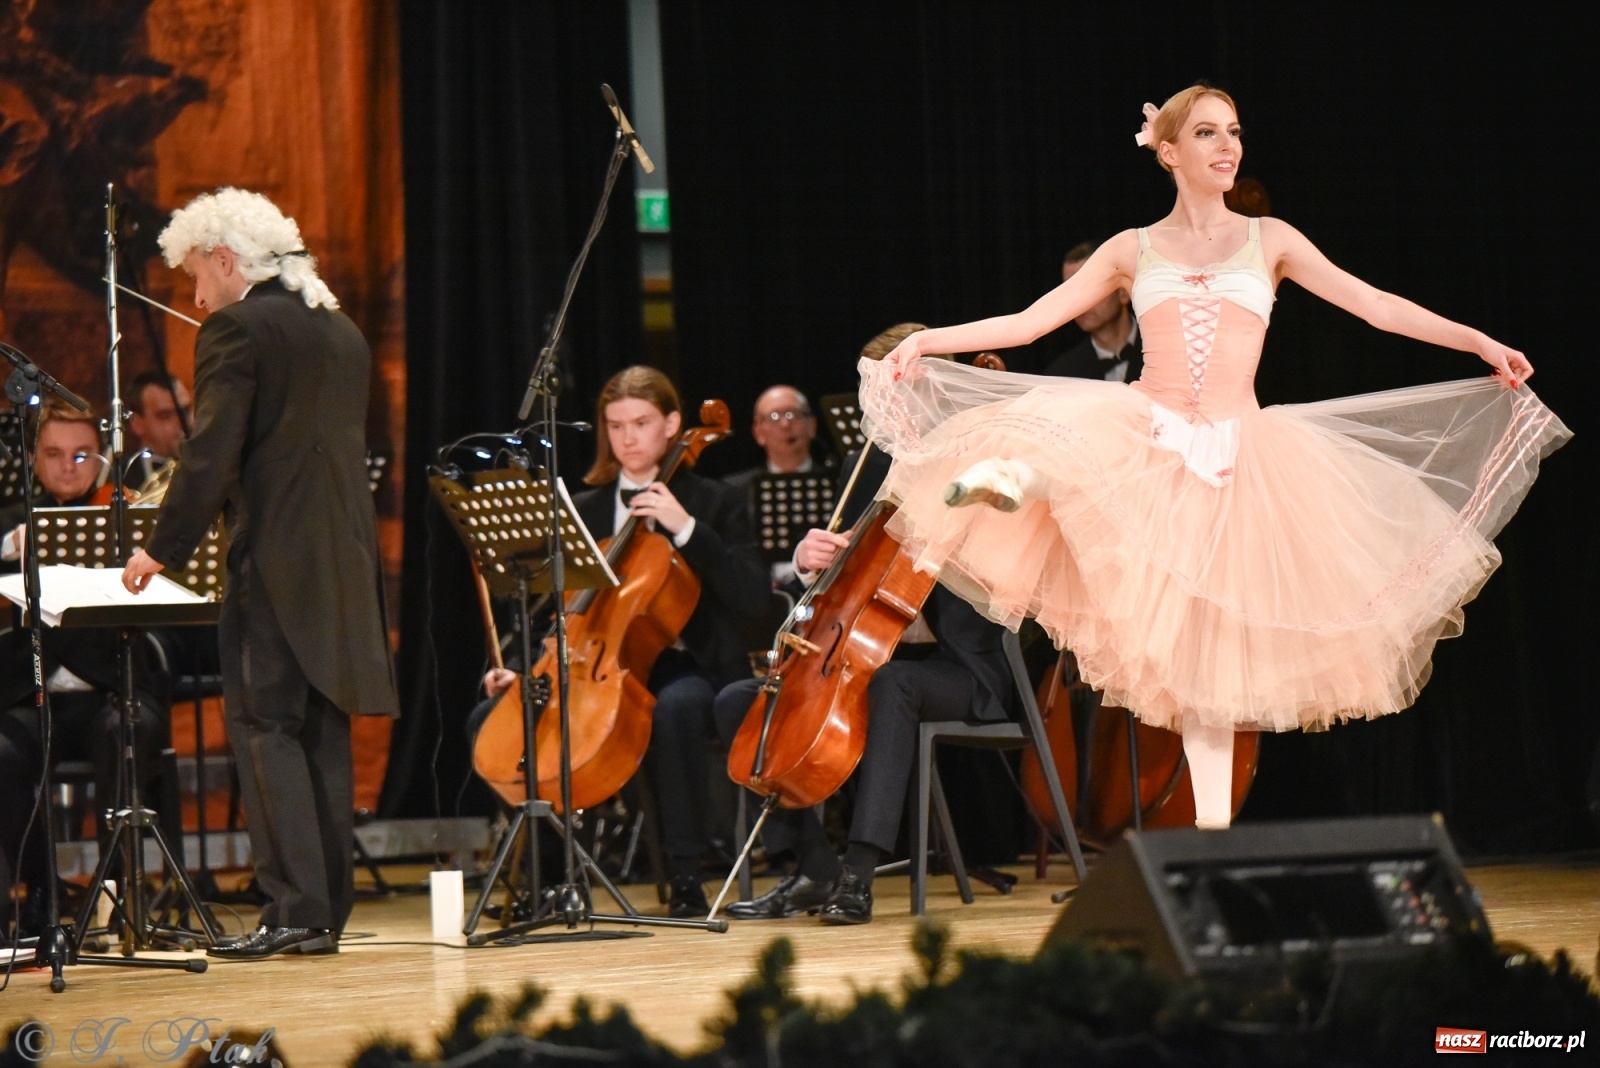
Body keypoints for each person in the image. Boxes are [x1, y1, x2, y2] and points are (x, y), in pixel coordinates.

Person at [864, 85, 1570, 831]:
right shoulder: (1131, 248)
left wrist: (1477, 341)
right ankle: (1018, 476)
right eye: (1207, 133)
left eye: (1233, 131)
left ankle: (1210, 835)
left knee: (1210, 664)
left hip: (1240, 454)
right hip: (1150, 429)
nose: (1228, 145)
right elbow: (1031, 322)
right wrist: (929, 340)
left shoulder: (1271, 240)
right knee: (1093, 449)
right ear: (1169, 152)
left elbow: (1376, 305)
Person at [120, 187, 398, 959]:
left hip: (274, 560)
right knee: (320, 731)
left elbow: (212, 450)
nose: (195, 297)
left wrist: (161, 547)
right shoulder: (339, 329)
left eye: (194, 277)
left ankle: (293, 911)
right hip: (343, 560)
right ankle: (321, 914)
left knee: (264, 727)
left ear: (224, 259)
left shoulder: (236, 329)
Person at [712, 324, 1020, 926]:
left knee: (892, 686)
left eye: (889, 394)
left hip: (962, 667)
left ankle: (857, 875)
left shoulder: (984, 465)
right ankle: (812, 866)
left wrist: (935, 538)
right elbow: (849, 581)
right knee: (738, 701)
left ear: (930, 387)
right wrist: (811, 561)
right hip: (863, 652)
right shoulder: (867, 465)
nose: (877, 411)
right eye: (874, 395)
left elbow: (1011, 581)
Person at [479, 366, 769, 917]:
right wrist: (519, 666)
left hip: (689, 664)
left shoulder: (715, 502)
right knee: (499, 717)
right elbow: (554, 610)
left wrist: (686, 529)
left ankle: (686, 875)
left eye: (641, 423)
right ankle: (547, 879)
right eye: (615, 426)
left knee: (676, 709)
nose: (628, 438)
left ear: (673, 424)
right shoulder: (586, 509)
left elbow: (754, 597)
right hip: (596, 663)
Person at [1, 401, 171, 940]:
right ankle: (40, 892)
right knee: (1, 752)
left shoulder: (121, 515)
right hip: (33, 697)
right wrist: (12, 545)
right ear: (32, 458)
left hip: (111, 690)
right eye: (53, 454)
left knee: (126, 730)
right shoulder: (11, 517)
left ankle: (117, 892)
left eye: (81, 455)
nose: (68, 467)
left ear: (101, 458)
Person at [1040, 241, 1143, 383]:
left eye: (1089, 288)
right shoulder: (1061, 376)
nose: (1078, 302)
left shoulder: (1167, 348)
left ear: (1123, 292)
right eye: (1069, 292)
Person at [126, 370, 192, 492]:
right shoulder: (121, 481)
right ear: (137, 424)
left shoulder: (216, 465)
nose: (182, 423)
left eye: (186, 411)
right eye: (166, 415)